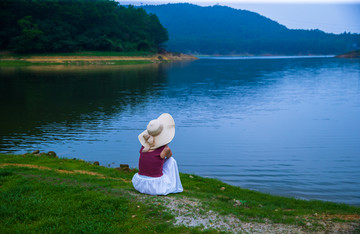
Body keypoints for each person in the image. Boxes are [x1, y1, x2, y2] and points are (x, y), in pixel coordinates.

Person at [132, 113, 183, 195]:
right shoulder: (165, 149)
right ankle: (175, 185)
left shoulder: (144, 147)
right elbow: (170, 155)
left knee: (153, 160)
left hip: (140, 184)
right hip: (156, 187)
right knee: (171, 160)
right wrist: (165, 146)